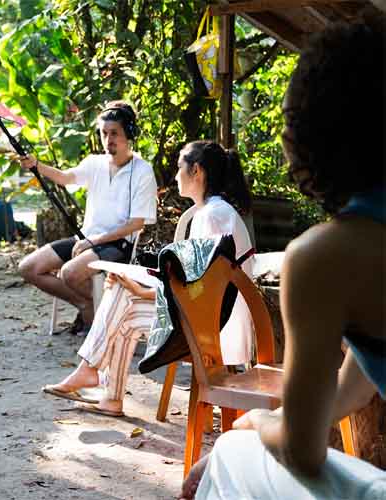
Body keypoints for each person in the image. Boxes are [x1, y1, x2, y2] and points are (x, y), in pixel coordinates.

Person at [181, 12, 386, 500]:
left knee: (229, 456)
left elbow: (302, 450)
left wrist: (256, 424)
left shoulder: (326, 256)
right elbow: (356, 383)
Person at [43, 139, 255, 417]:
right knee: (122, 297)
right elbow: (193, 283)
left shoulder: (212, 217)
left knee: (123, 305)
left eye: (179, 167)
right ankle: (101, 386)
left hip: (216, 325)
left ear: (197, 172)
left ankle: (93, 374)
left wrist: (141, 291)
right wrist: (137, 286)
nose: (175, 175)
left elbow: (200, 289)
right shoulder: (213, 212)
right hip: (211, 315)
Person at [18, 101, 158, 334]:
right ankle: (87, 305)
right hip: (86, 239)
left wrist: (94, 241)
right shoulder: (94, 163)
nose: (108, 140)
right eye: (104, 133)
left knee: (70, 273)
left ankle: (102, 314)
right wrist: (36, 165)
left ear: (130, 133)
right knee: (29, 268)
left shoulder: (142, 171)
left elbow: (136, 224)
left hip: (118, 244)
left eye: (114, 133)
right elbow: (65, 178)